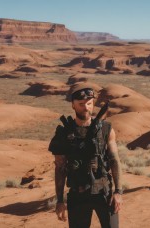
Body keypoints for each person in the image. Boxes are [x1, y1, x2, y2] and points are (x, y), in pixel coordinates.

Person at [48, 84, 123, 228]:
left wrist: (118, 192)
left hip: (104, 193)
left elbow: (114, 160)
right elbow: (60, 168)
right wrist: (59, 201)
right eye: (81, 104)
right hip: (78, 195)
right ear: (73, 105)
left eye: (89, 104)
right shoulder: (63, 134)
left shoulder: (106, 129)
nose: (86, 107)